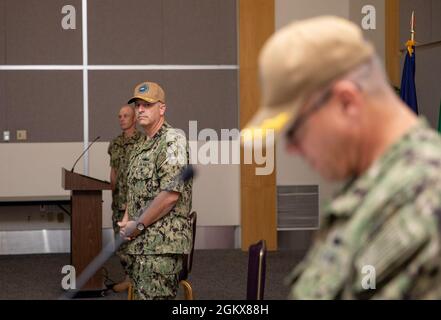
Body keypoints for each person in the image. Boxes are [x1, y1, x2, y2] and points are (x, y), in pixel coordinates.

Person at [244, 16, 441, 299]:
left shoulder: (420, 196)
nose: (292, 149)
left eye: (296, 129)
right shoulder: (375, 185)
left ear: (346, 102)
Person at [118, 81, 193, 300]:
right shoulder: (141, 145)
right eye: (138, 105)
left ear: (162, 108)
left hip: (160, 247)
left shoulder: (173, 140)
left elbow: (170, 195)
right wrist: (126, 221)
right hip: (140, 244)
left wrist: (138, 225)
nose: (140, 109)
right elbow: (134, 190)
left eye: (147, 105)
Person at [107, 105, 143, 292]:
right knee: (120, 244)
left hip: (136, 202)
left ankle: (139, 280)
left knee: (136, 242)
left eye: (125, 116)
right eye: (119, 116)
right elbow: (113, 172)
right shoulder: (114, 143)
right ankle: (129, 278)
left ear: (134, 118)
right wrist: (111, 190)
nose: (121, 119)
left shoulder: (143, 141)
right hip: (118, 201)